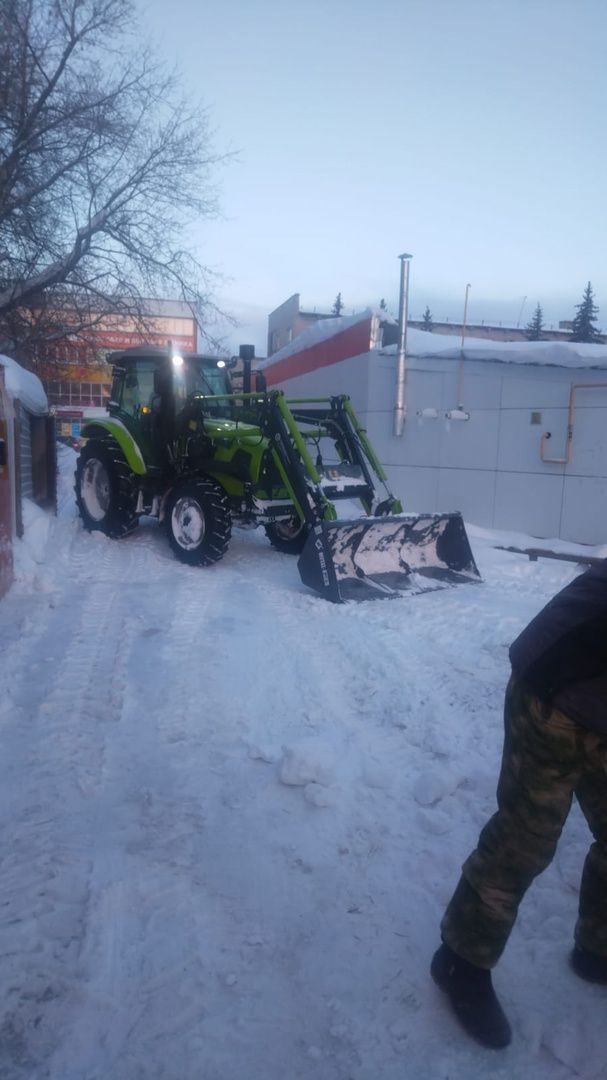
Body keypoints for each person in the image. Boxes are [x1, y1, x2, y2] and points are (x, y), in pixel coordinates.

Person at [431, 560, 607, 1049]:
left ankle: (598, 946)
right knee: (525, 841)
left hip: (597, 697)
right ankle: (459, 963)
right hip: (551, 694)